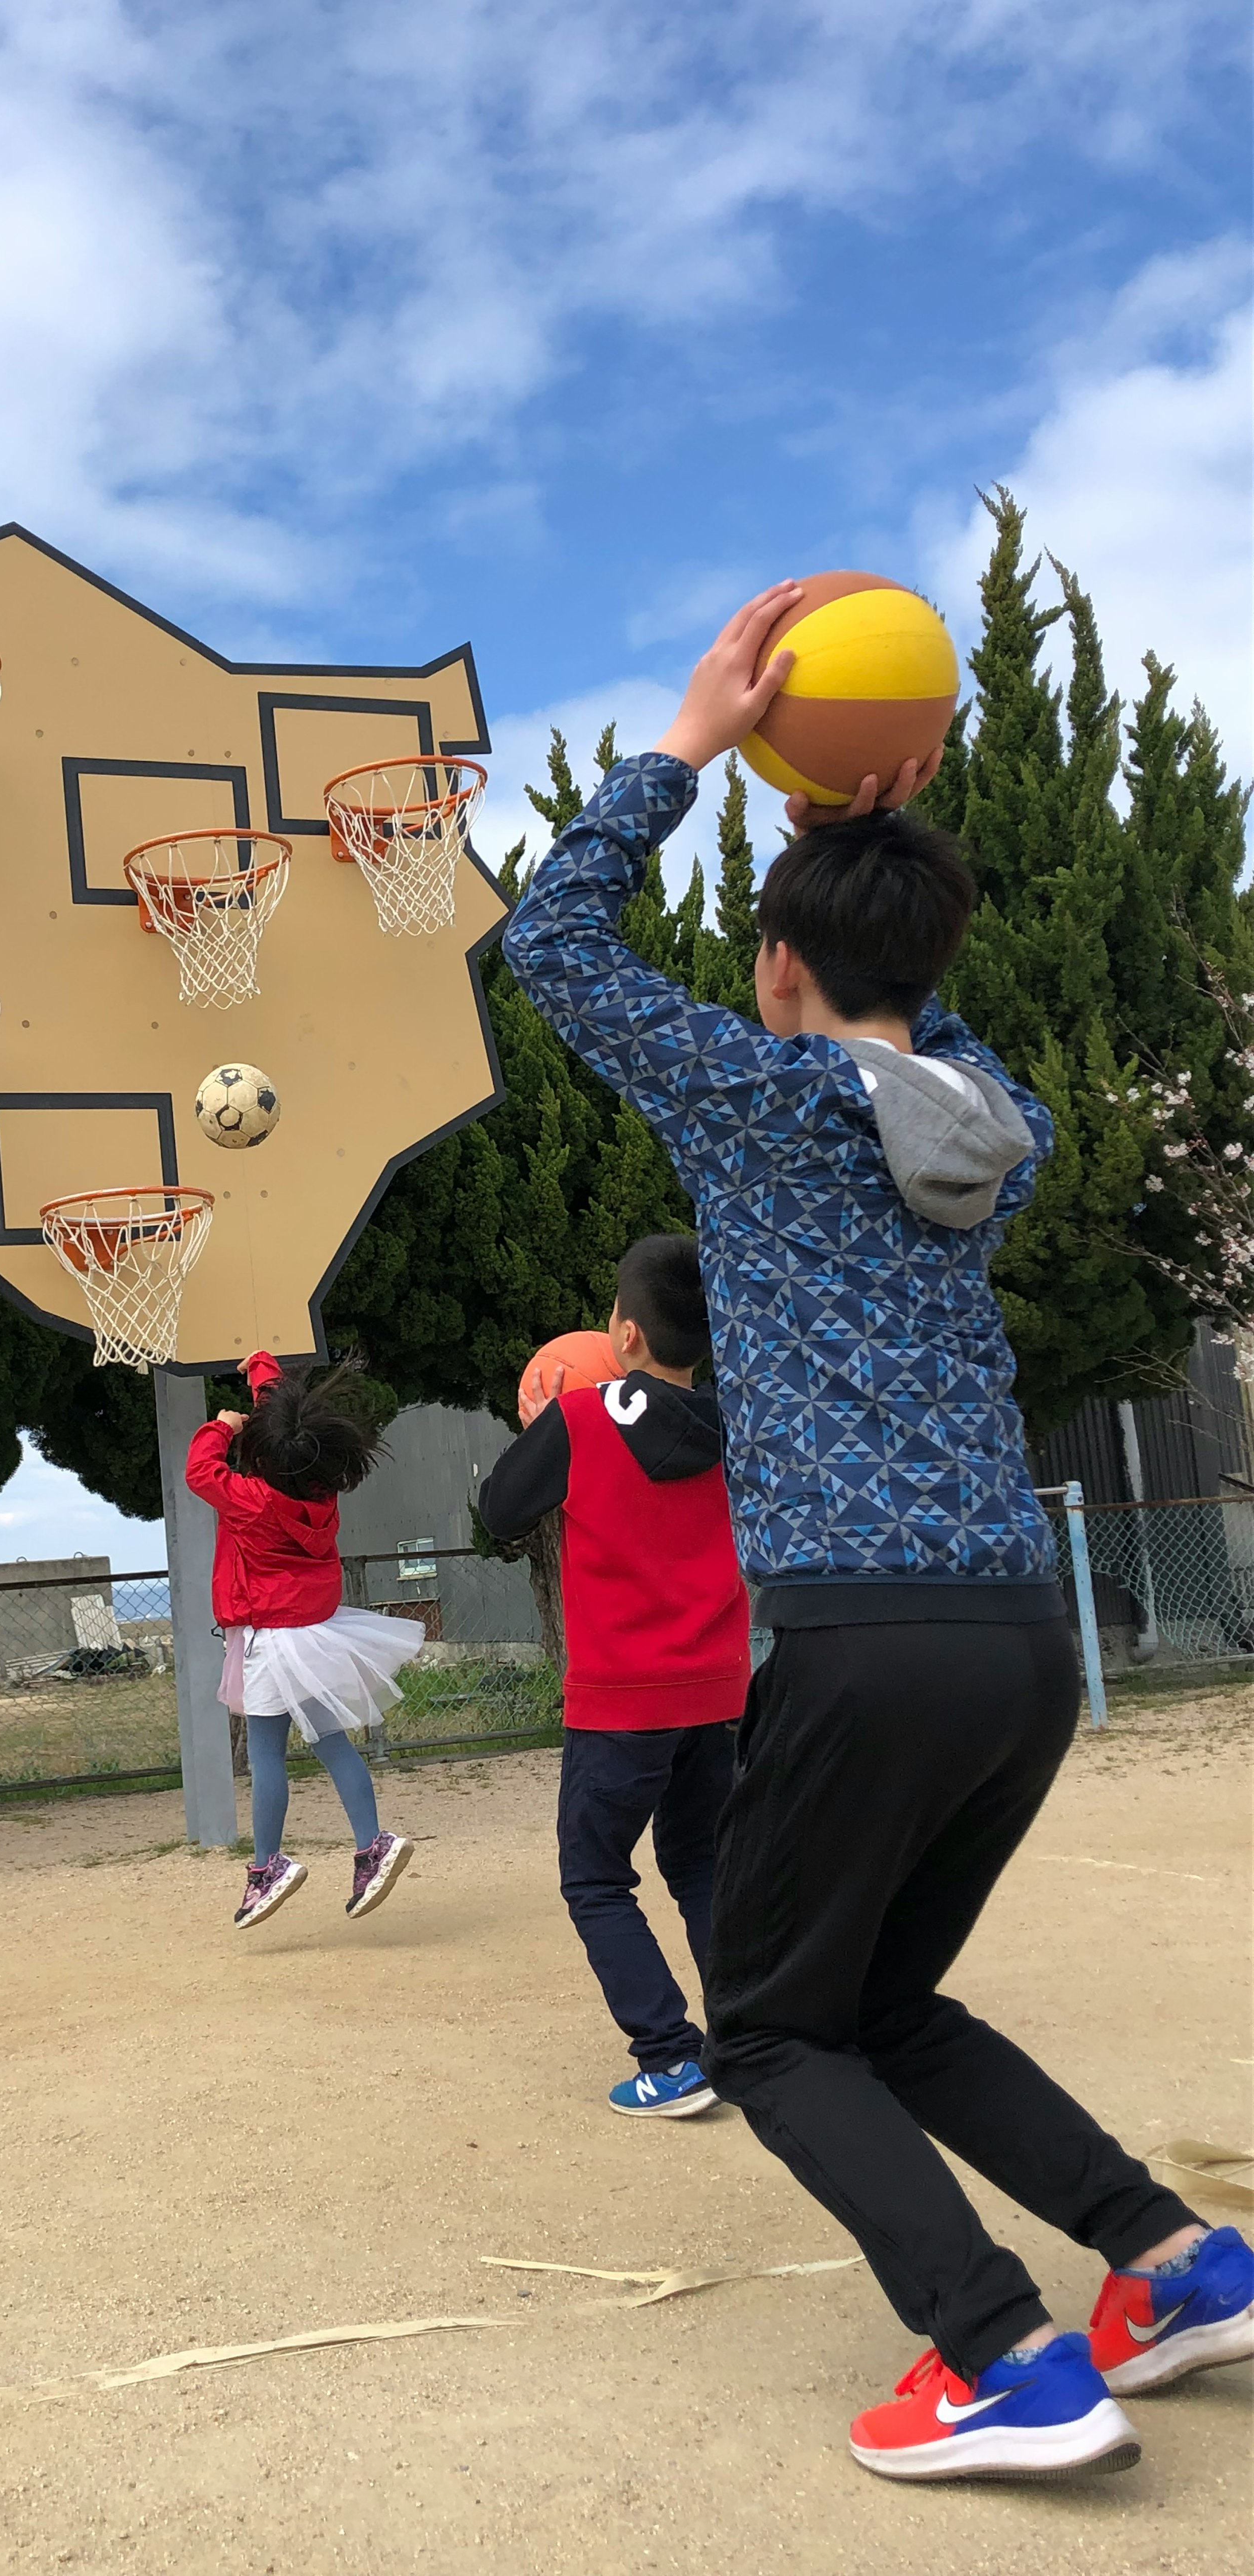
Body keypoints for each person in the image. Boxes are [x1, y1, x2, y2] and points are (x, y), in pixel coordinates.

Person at [501, 582, 1252, 2484]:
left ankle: (999, 2356)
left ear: (772, 973)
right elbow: (924, 1036)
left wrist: (689, 745)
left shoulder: (759, 1104)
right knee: (883, 2000)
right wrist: (863, 853)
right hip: (1021, 1638)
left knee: (762, 2026)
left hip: (865, 1635)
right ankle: (1168, 2262)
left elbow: (559, 944)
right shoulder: (997, 1120)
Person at [478, 1235, 749, 2119]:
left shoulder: (581, 1420)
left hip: (623, 1700)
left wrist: (546, 1423)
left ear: (626, 1334)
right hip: (717, 1693)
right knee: (705, 1863)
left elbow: (499, 1512)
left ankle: (670, 2059)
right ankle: (749, 2048)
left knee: (596, 1878)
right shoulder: (736, 1424)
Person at [187, 1352, 421, 1928]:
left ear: (263, 1454)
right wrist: (263, 1370)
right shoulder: (320, 1490)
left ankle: (267, 1867)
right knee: (333, 1743)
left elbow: (199, 1472)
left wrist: (221, 1424)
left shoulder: (251, 1498)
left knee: (267, 1753)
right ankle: (372, 1844)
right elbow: (291, 1425)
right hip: (314, 1632)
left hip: (271, 1635)